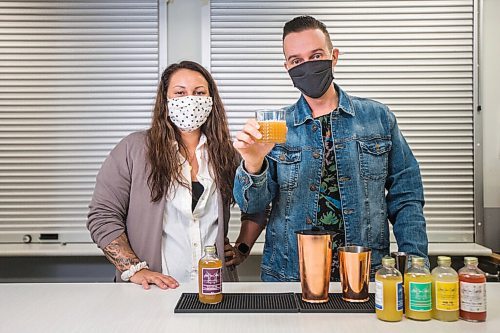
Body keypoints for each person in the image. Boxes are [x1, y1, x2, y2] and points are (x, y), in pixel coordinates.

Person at [232, 16, 428, 282]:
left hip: (365, 275)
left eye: (316, 55)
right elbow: (253, 206)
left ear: (333, 56)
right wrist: (253, 164)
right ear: (287, 67)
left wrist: (416, 266)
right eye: (296, 61)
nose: (307, 67)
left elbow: (406, 197)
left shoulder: (378, 118)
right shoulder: (275, 128)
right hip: (290, 276)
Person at [87, 61, 260, 289]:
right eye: (180, 93)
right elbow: (102, 216)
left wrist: (242, 248)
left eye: (199, 93)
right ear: (165, 101)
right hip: (151, 292)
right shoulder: (132, 149)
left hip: (215, 288)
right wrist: (133, 269)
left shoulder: (229, 154)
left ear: (211, 100)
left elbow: (258, 203)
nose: (190, 100)